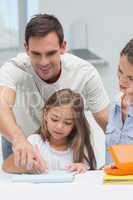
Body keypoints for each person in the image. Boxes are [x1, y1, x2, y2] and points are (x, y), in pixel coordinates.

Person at [0, 13, 109, 169]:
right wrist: (19, 140)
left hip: (68, 147)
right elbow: (2, 107)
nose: (43, 62)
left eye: (50, 53)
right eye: (36, 54)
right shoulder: (13, 69)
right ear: (26, 48)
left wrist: (120, 161)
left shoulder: (85, 72)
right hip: (21, 139)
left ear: (63, 47)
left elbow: (107, 122)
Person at [2, 89, 96, 174]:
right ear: (46, 114)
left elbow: (89, 176)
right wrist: (27, 166)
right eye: (54, 119)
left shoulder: (79, 148)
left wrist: (82, 168)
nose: (59, 127)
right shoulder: (34, 142)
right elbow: (6, 167)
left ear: (75, 124)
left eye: (67, 123)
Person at [106, 39, 133, 164]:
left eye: (131, 78)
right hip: (112, 182)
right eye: (120, 71)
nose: (122, 82)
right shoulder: (115, 105)